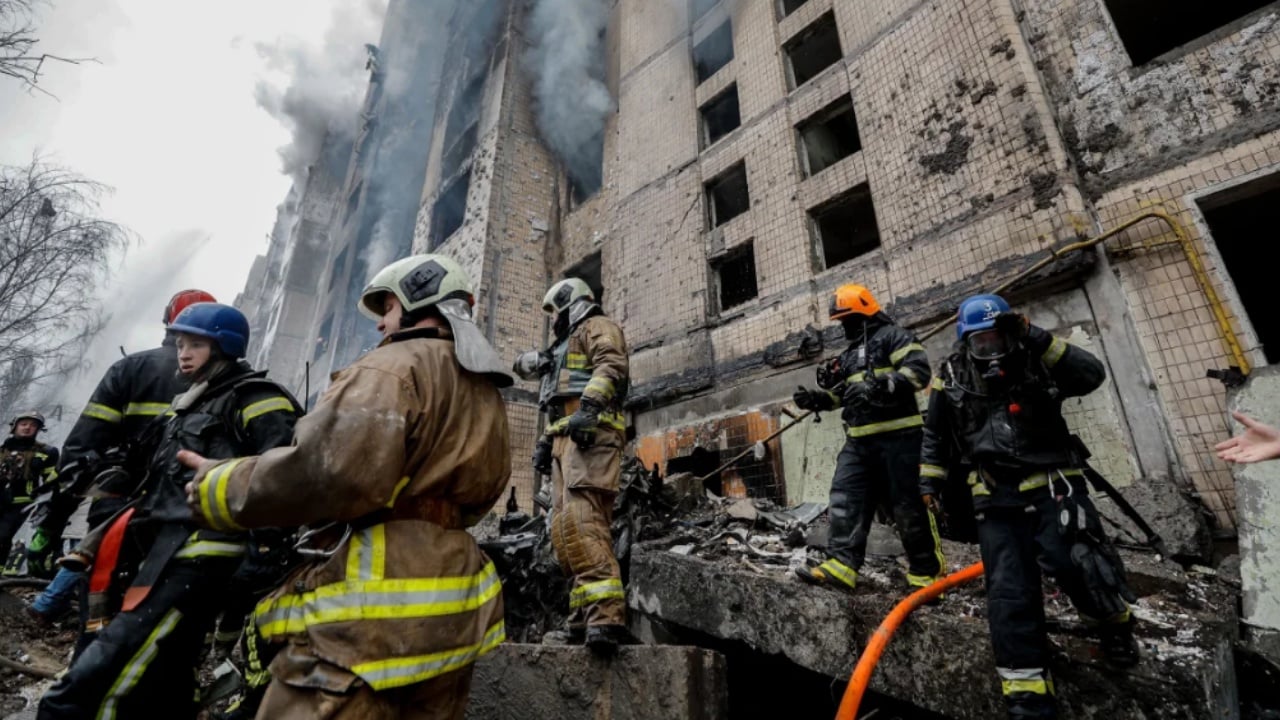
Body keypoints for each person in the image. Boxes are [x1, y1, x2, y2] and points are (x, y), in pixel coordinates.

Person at [178, 254, 512, 720]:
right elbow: (481, 496)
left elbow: (326, 473)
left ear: (419, 301)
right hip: (455, 614)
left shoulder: (390, 368)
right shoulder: (486, 392)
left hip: (368, 616)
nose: (381, 326)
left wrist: (221, 486)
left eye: (388, 308)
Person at [38, 302, 302, 720]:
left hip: (202, 559)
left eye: (196, 344)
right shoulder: (184, 407)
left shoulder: (255, 397)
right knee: (162, 678)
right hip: (159, 555)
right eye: (180, 343)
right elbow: (143, 473)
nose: (183, 353)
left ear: (224, 347)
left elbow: (287, 473)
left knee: (95, 682)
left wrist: (263, 554)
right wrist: (106, 475)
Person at [918, 294, 1138, 719]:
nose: (990, 350)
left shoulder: (1035, 355)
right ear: (966, 342)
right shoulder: (951, 374)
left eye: (996, 339)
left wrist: (1036, 338)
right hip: (993, 493)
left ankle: (1113, 622)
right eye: (980, 343)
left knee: (1077, 564)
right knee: (1008, 589)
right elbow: (935, 432)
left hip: (1053, 482)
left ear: (1010, 333)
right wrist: (930, 480)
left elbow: (1091, 375)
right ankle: (1027, 694)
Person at [27, 289, 215, 626]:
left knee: (99, 562)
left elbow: (83, 444)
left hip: (120, 492)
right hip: (182, 499)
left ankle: (76, 630)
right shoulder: (221, 381)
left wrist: (60, 509)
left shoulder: (130, 369)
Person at [791, 284, 944, 592]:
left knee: (909, 508)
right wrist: (819, 400)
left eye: (848, 319)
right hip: (859, 442)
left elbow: (919, 373)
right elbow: (845, 395)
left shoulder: (895, 337)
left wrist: (882, 384)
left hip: (901, 439)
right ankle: (841, 566)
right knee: (846, 499)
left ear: (865, 314)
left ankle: (927, 577)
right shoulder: (849, 356)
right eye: (841, 320)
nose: (844, 326)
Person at [515, 277, 631, 653]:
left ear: (571, 303)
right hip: (568, 440)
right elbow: (559, 405)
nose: (554, 322)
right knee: (564, 534)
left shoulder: (597, 327)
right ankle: (582, 617)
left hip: (591, 438)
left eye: (555, 312)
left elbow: (611, 365)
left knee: (585, 523)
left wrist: (590, 408)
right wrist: (546, 443)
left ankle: (606, 617)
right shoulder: (562, 348)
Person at [0, 412, 59, 574]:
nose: (28, 428)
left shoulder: (47, 452)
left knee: (2, 536)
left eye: (33, 425)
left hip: (20, 503)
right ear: (15, 426)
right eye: (24, 424)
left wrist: (47, 500)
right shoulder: (2, 450)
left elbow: (52, 480)